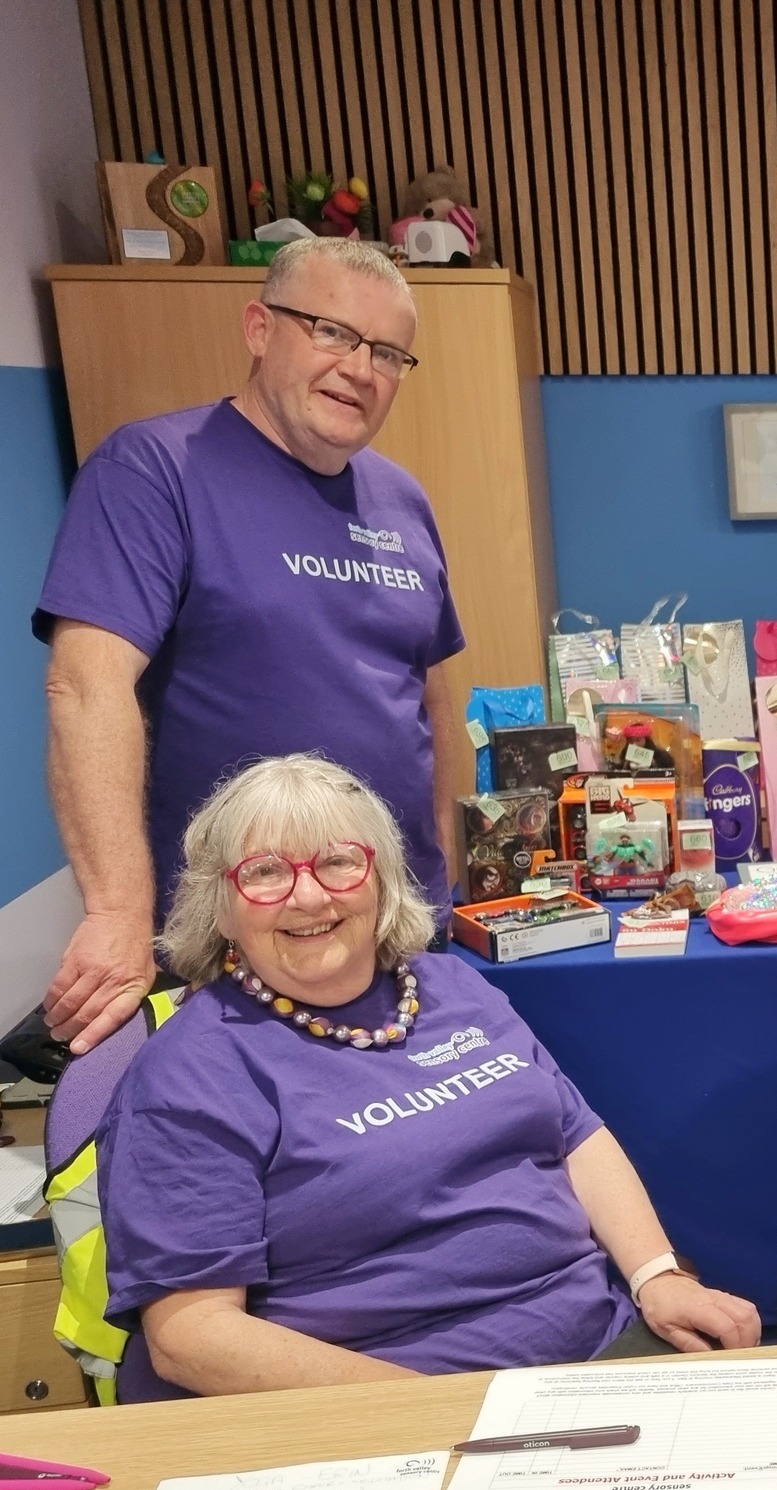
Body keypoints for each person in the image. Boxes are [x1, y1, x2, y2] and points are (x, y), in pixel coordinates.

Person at [97, 755, 758, 1399]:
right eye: (265, 872)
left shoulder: (450, 985)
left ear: (380, 877)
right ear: (220, 904)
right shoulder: (189, 1074)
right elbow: (192, 1337)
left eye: (338, 861)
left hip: (591, 1352)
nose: (308, 893)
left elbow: (576, 1135)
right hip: (387, 1407)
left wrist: (658, 1277)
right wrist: (435, 1410)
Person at [36, 235, 470, 1055]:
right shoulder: (154, 471)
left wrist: (441, 871)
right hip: (243, 947)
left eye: (386, 351)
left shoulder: (403, 499)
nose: (359, 367)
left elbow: (431, 699)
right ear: (259, 328)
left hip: (395, 931)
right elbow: (86, 688)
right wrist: (118, 912)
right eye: (331, 331)